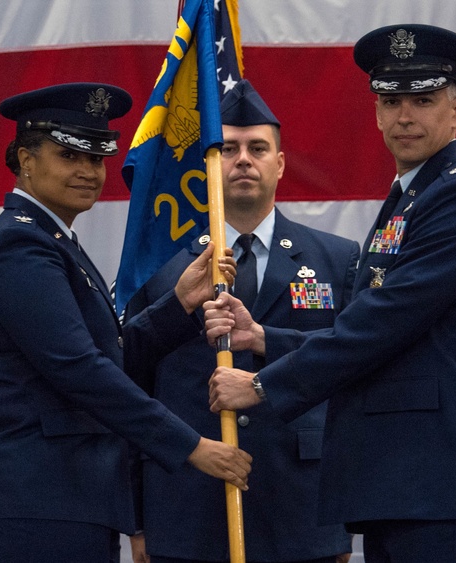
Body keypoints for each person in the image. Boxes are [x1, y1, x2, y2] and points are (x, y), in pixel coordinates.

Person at [206, 25, 456, 562]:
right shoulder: (412, 196)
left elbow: (382, 323)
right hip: (404, 482)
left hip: (436, 480)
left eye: (423, 100)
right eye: (391, 100)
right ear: (376, 111)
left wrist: (262, 385)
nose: (405, 116)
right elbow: (368, 319)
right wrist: (263, 337)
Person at [0, 82, 252, 563]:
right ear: (26, 159)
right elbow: (80, 370)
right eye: (70, 156)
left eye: (96, 158)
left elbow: (105, 356)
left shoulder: (53, 241)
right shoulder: (20, 247)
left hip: (66, 495)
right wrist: (191, 445)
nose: (88, 172)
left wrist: (179, 304)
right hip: (32, 497)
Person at [123, 79, 358, 563]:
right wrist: (137, 518)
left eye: (257, 148)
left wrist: (344, 522)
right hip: (186, 508)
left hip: (302, 509)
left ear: (281, 162)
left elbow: (352, 367)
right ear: (208, 165)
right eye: (227, 148)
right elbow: (129, 385)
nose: (243, 160)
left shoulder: (338, 260)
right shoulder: (161, 267)